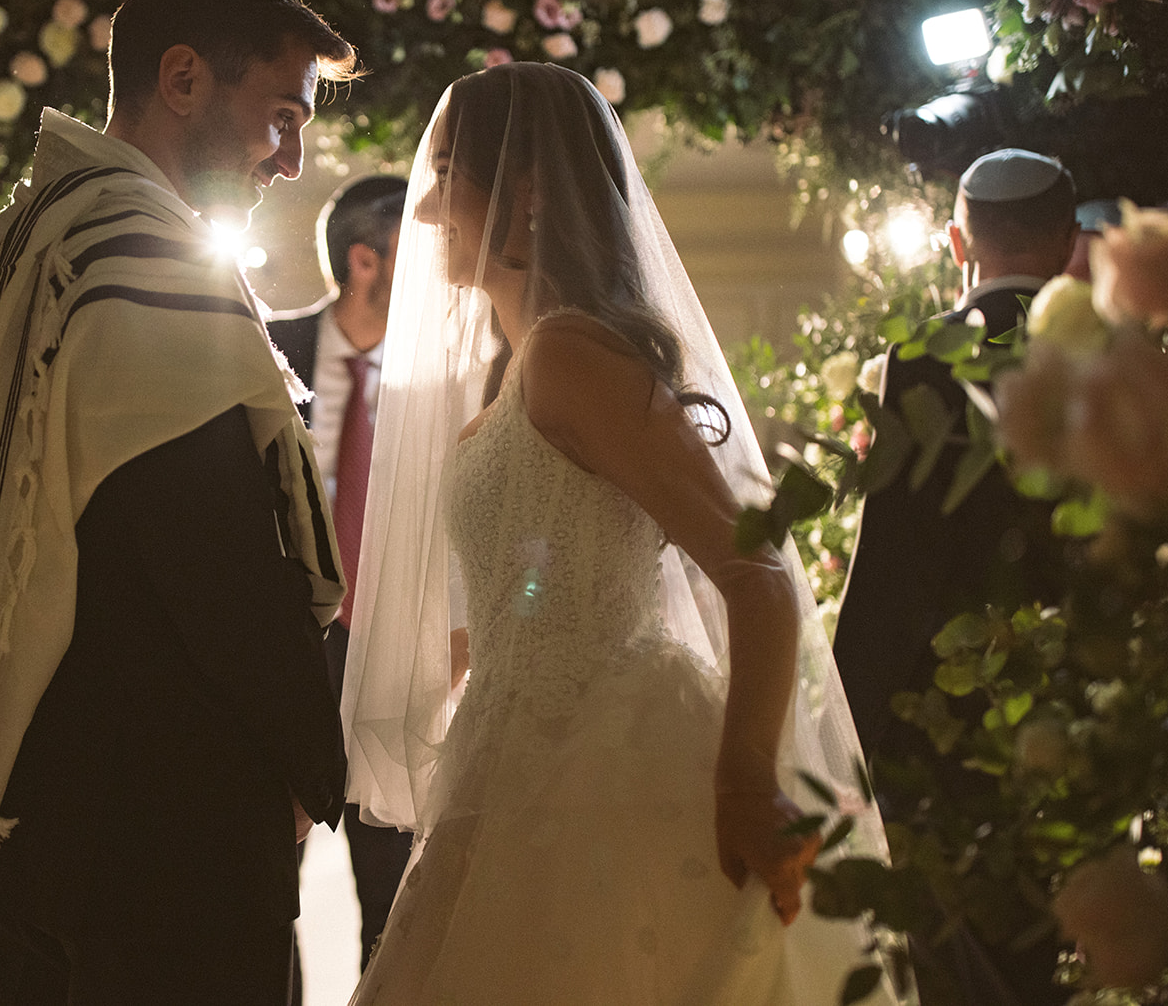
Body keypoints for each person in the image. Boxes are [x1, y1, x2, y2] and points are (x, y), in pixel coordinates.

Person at [0, 0, 356, 1006]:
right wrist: (305, 747)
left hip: (37, 787)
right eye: (280, 115)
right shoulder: (142, 252)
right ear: (182, 78)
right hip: (168, 803)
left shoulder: (16, 241)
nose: (289, 159)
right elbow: (210, 547)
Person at [340, 61, 901, 1004]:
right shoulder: (521, 368)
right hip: (519, 756)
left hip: (614, 766)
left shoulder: (571, 354)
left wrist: (740, 783)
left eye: (445, 176)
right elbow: (548, 579)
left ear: (523, 195)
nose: (426, 210)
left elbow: (758, 575)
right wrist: (457, 655)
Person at [832, 148, 1080, 1006]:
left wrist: (847, 726)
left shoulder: (923, 358)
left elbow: (893, 567)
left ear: (953, 240)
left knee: (963, 963)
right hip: (1090, 701)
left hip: (947, 719)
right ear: (1070, 239)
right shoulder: (1129, 355)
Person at [270, 174, 414, 982]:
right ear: (366, 261)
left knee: (394, 898)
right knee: (263, 889)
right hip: (283, 657)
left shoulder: (439, 379)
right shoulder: (267, 351)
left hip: (391, 663)